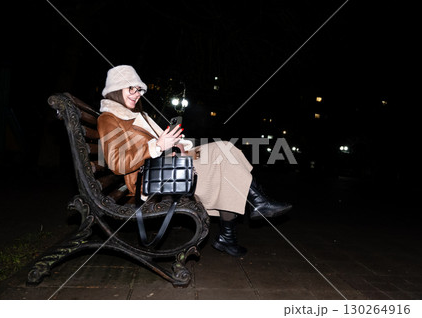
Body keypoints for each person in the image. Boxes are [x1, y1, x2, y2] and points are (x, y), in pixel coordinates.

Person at [97, 65, 292, 257]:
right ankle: (252, 207)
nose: (137, 93)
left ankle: (236, 227)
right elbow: (117, 163)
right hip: (148, 180)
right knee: (223, 155)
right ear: (115, 89)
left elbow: (158, 145)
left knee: (227, 151)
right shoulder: (109, 118)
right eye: (131, 88)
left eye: (139, 89)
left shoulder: (138, 115)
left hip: (166, 166)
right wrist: (157, 146)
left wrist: (177, 145)